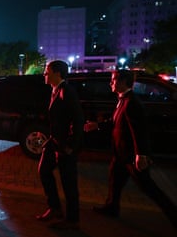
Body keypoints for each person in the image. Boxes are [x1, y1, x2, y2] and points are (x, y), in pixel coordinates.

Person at [88, 70, 177, 229]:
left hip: (129, 156)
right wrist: (97, 125)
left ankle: (174, 215)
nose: (111, 83)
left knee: (149, 188)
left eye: (114, 80)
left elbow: (139, 130)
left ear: (123, 82)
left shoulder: (131, 102)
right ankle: (111, 207)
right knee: (114, 181)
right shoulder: (123, 100)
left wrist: (141, 154)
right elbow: (116, 122)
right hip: (120, 154)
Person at [36, 60, 84, 230]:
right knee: (43, 170)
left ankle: (72, 220)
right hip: (54, 142)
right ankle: (54, 208)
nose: (44, 74)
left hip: (65, 145)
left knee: (68, 181)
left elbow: (77, 120)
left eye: (47, 71)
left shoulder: (66, 91)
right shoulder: (55, 90)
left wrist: (70, 145)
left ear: (57, 73)